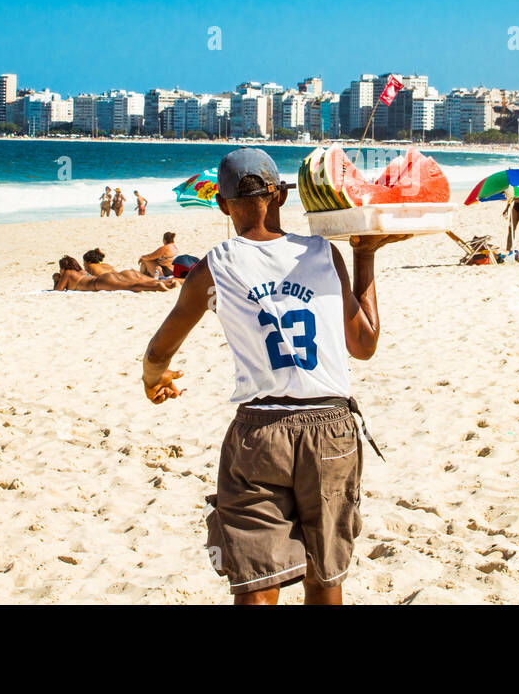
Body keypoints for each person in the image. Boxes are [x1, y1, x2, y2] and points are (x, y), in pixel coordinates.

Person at [140, 148, 408, 605]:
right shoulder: (324, 253)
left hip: (260, 433)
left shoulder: (214, 266)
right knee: (325, 579)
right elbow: (364, 346)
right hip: (332, 429)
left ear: (222, 205)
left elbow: (160, 347)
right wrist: (364, 257)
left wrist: (154, 376)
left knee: (257, 584)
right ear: (281, 195)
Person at [53, 255, 179, 292]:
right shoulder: (82, 271)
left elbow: (57, 291)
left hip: (100, 283)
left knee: (131, 286)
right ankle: (172, 282)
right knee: (137, 282)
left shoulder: (68, 273)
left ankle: (157, 286)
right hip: (107, 277)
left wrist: (56, 279)